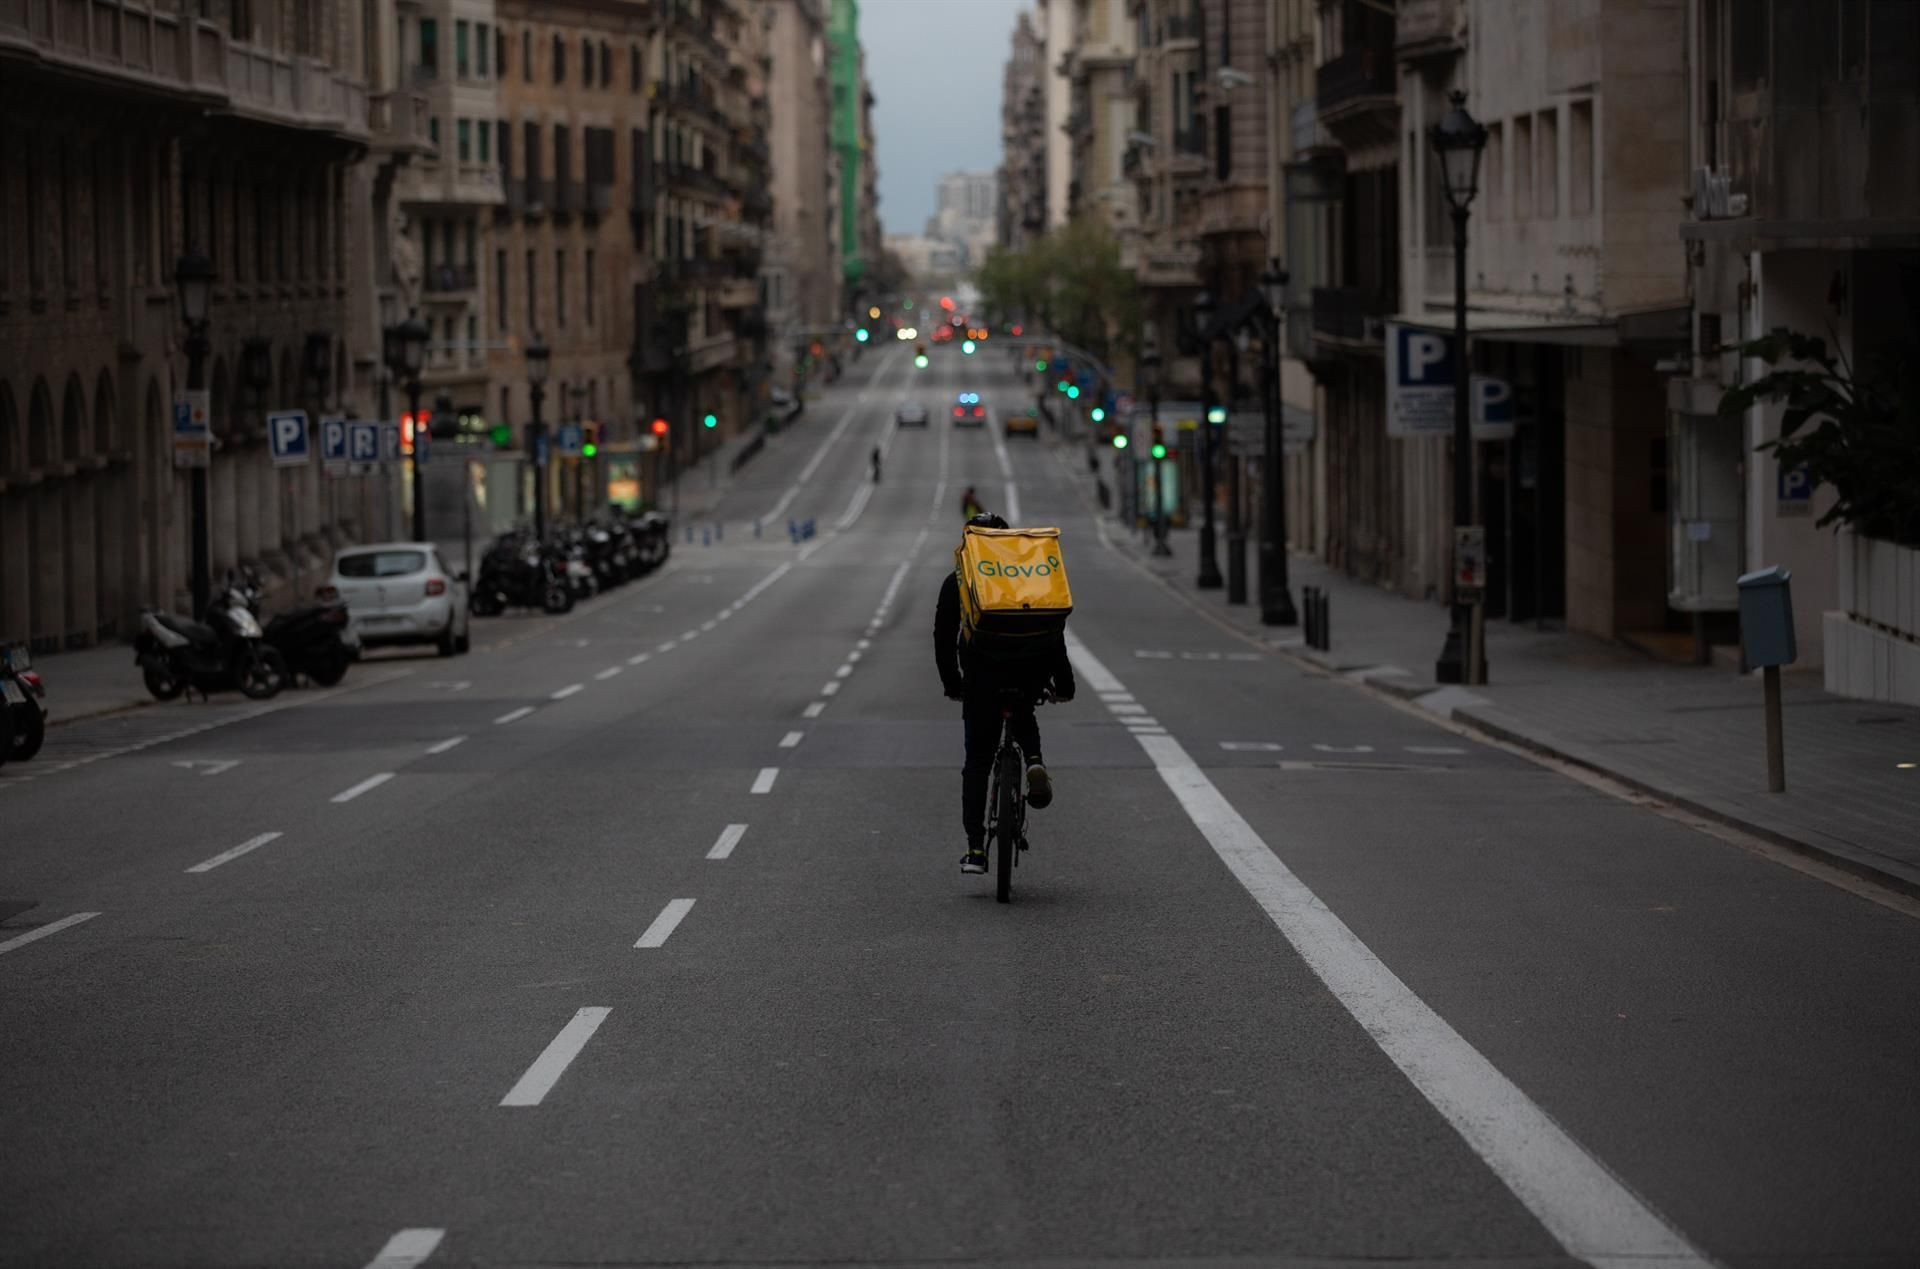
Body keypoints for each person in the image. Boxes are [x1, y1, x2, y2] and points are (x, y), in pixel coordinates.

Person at [933, 513, 1076, 875]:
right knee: (1023, 709)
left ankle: (977, 849)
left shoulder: (959, 582)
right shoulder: (1026, 578)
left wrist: (953, 683)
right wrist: (1064, 684)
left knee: (977, 764)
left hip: (981, 682)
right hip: (1029, 674)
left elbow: (943, 637)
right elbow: (1053, 630)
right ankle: (1034, 761)